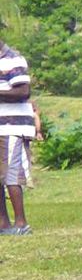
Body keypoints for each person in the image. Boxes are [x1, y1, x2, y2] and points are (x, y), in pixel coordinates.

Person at [0, 37, 34, 235]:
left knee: (12, 175)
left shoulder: (12, 59)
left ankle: (21, 223)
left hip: (12, 126)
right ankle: (3, 223)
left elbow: (23, 91)